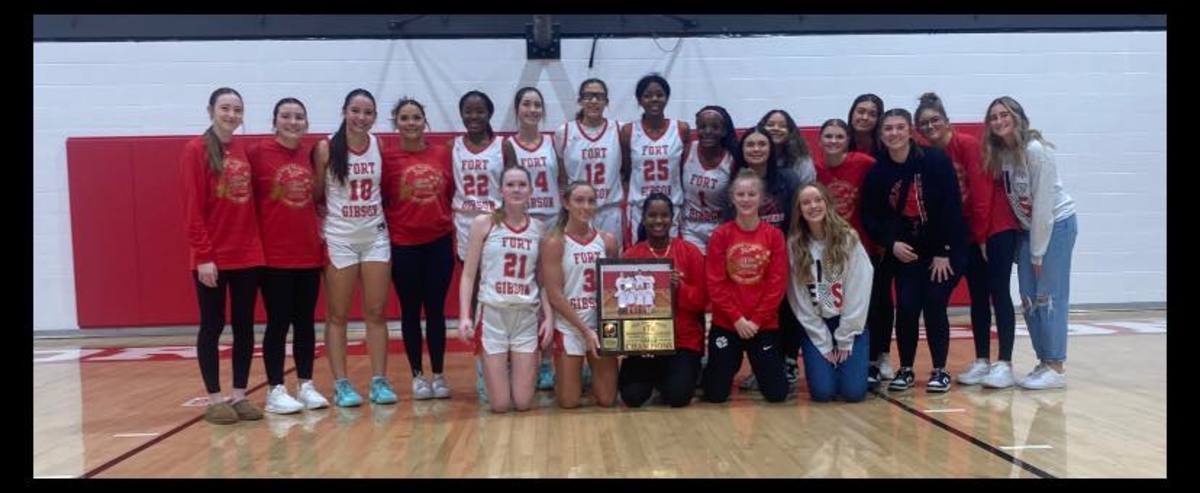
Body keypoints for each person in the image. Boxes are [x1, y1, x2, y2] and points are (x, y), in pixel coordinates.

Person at [914, 92, 1020, 389]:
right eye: (924, 123)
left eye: (935, 120)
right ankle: (983, 359)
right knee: (977, 297)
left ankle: (1005, 362)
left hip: (996, 228)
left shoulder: (968, 145)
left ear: (947, 121)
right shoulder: (930, 156)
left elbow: (982, 193)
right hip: (971, 234)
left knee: (999, 292)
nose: (930, 126)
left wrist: (983, 236)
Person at [861, 108, 967, 393]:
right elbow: (870, 215)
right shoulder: (878, 170)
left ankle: (940, 370)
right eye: (888, 129)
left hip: (941, 248)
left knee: (934, 305)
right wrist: (891, 243)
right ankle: (905, 368)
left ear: (910, 130)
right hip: (905, 249)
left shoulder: (934, 160)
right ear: (881, 135)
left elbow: (951, 205)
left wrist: (944, 250)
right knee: (906, 307)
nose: (894, 133)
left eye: (899, 127)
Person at [180, 87, 266, 424]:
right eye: (225, 108)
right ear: (211, 111)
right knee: (212, 325)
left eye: (237, 109)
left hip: (247, 255)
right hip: (212, 257)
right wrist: (204, 256)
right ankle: (215, 398)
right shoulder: (195, 150)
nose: (231, 114)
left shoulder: (242, 150)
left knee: (244, 326)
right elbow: (192, 209)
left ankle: (240, 395)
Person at [983, 96, 1078, 390]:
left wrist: (1037, 254)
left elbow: (1044, 209)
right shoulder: (1003, 154)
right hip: (1028, 231)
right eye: (994, 117)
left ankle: (1056, 365)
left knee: (1048, 297)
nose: (999, 121)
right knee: (1028, 298)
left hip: (1055, 227)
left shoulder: (1037, 151)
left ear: (1018, 117)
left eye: (1004, 115)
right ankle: (1043, 361)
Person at [312, 88, 396, 407]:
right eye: (356, 111)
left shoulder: (380, 145)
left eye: (368, 112)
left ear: (375, 116)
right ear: (344, 111)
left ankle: (379, 380)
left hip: (375, 236)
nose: (362, 118)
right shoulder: (325, 148)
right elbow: (318, 194)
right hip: (340, 238)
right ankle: (342, 383)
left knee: (376, 312)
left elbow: (384, 188)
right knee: (338, 315)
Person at [248, 97, 330, 414]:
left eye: (298, 117)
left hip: (308, 253)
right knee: (278, 323)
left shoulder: (312, 155)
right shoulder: (257, 153)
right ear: (275, 120)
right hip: (274, 256)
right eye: (286, 116)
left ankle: (306, 384)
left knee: (306, 324)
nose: (292, 122)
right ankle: (275, 389)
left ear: (306, 122)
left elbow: (320, 196)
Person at [456, 166, 554, 412]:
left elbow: (542, 280)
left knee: (522, 403)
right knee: (499, 405)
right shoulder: (483, 223)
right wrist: (464, 316)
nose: (516, 189)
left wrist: (549, 317)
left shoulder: (539, 228)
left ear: (531, 190)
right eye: (510, 184)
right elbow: (468, 275)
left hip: (526, 315)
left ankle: (504, 374)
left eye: (522, 184)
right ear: (501, 189)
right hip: (492, 313)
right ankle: (489, 376)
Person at [382, 97, 454, 400]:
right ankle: (417, 375)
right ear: (395, 122)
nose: (411, 123)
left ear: (425, 121)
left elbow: (449, 193)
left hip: (438, 243)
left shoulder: (442, 153)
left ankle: (438, 374)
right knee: (410, 311)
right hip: (404, 244)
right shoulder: (387, 158)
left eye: (416, 117)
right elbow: (384, 199)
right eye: (404, 118)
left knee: (436, 311)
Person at [701, 169, 789, 403]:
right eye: (741, 194)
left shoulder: (774, 236)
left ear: (761, 198)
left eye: (751, 194)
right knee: (715, 395)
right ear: (732, 198)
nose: (746, 199)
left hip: (763, 324)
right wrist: (737, 319)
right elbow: (715, 283)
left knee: (777, 394)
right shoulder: (721, 235)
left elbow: (777, 283)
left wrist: (756, 320)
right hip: (728, 324)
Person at [812, 119, 889, 384]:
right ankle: (831, 349)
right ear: (820, 140)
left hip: (862, 248)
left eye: (839, 137)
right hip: (828, 251)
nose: (833, 141)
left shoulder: (864, 163)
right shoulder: (815, 170)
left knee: (871, 304)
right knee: (830, 301)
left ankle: (877, 357)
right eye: (828, 136)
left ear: (848, 140)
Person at [727, 126, 803, 392]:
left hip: (783, 250)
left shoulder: (787, 179)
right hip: (748, 256)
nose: (756, 149)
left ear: (771, 149)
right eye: (750, 145)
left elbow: (798, 216)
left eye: (762, 144)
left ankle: (789, 361)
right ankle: (761, 367)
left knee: (786, 307)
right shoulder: (734, 181)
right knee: (754, 307)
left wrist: (792, 247)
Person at [785, 183, 874, 402]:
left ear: (827, 203)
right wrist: (822, 340)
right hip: (817, 325)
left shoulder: (847, 237)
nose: (813, 206)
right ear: (799, 210)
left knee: (853, 393)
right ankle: (833, 369)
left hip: (849, 323)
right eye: (806, 203)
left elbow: (859, 287)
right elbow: (799, 298)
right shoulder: (795, 244)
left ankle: (856, 369)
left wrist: (845, 336)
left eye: (817, 200)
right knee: (823, 393)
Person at [619, 193, 708, 407]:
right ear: (643, 218)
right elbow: (620, 306)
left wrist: (680, 288)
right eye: (652, 215)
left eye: (664, 215)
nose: (658, 221)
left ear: (672, 218)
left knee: (678, 397)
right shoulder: (630, 256)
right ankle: (657, 378)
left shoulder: (690, 252)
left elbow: (702, 301)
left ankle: (675, 376)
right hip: (645, 341)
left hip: (682, 340)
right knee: (631, 397)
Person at [502, 86, 563, 392]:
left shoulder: (553, 142)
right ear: (517, 109)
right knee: (526, 293)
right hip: (523, 223)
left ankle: (551, 361)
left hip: (550, 221)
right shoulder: (508, 145)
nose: (532, 109)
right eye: (526, 104)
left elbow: (561, 180)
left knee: (552, 292)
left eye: (537, 104)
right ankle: (521, 360)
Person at [541, 181, 621, 408]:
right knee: (568, 402)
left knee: (607, 400)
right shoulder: (555, 242)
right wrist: (585, 331)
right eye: (579, 200)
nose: (586, 206)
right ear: (566, 203)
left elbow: (616, 288)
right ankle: (573, 374)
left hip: (600, 325)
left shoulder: (607, 241)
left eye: (591, 201)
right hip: (570, 325)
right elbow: (555, 295)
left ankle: (586, 375)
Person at [451, 90, 505, 401]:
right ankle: (482, 367)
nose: (474, 117)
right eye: (468, 112)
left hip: (496, 223)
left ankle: (507, 362)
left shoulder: (502, 146)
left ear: (489, 114)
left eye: (480, 111)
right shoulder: (453, 146)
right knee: (474, 298)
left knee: (500, 292)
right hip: (466, 224)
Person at [556, 78, 625, 251]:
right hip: (578, 212)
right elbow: (562, 177)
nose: (594, 101)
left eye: (599, 97)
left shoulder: (619, 129)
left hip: (609, 210)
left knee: (611, 265)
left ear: (606, 102)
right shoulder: (564, 132)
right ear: (580, 100)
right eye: (588, 96)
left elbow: (627, 170)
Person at [621, 74, 688, 245]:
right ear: (639, 100)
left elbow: (683, 171)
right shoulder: (629, 131)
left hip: (671, 207)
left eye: (659, 95)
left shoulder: (680, 128)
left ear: (667, 98)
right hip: (640, 208)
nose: (654, 99)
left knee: (672, 259)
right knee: (639, 259)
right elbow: (627, 171)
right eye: (647, 95)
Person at [680, 105, 738, 252]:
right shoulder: (687, 151)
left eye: (715, 127)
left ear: (724, 130)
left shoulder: (732, 160)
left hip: (720, 229)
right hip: (690, 229)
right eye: (702, 126)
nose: (707, 131)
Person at [757, 109, 817, 185]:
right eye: (770, 125)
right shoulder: (754, 155)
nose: (776, 128)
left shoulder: (801, 160)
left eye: (782, 126)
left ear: (790, 132)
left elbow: (807, 189)